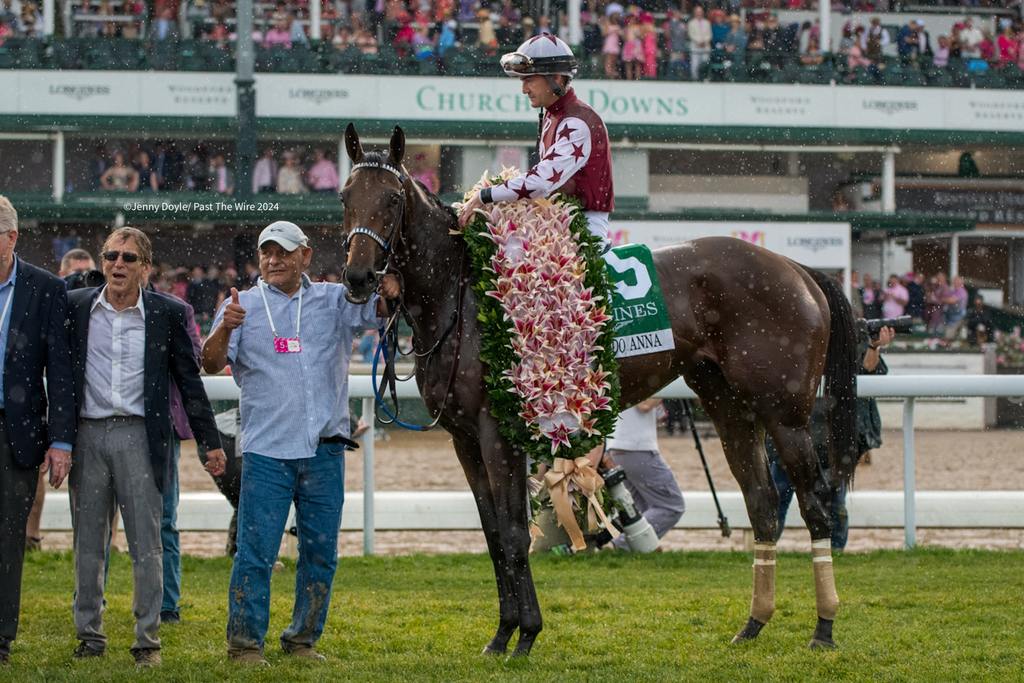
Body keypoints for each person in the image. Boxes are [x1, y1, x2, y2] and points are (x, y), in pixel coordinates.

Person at [201, 221, 399, 665]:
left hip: (324, 448)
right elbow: (211, 364)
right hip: (267, 452)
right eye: (266, 252)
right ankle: (245, 645)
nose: (274, 260)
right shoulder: (241, 305)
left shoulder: (333, 299)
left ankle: (302, 639)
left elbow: (384, 309)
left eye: (284, 252)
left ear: (305, 256)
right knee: (256, 552)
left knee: (321, 553)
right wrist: (225, 329)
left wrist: (390, 282)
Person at [67, 227, 226, 667]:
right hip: (87, 435)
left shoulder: (169, 312)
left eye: (128, 258)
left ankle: (147, 641)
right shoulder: (76, 307)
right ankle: (89, 637)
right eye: (111, 255)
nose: (118, 264)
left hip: (142, 436)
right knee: (87, 544)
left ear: (146, 268)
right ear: (102, 262)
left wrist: (209, 443)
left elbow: (190, 383)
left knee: (147, 544)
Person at [0, 196, 77, 667]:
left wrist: (62, 440)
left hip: (17, 432)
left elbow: (62, 370)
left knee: (8, 537)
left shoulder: (45, 289)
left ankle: (1, 638)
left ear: (11, 238)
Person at [457, 34, 614, 250]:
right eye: (523, 81)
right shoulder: (552, 116)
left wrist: (486, 195)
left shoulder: (579, 122)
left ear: (557, 78)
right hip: (557, 220)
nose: (524, 89)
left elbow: (540, 183)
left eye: (529, 80)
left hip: (586, 230)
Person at [767, 325, 894, 551]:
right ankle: (769, 547)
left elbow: (869, 372)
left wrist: (874, 346)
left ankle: (829, 552)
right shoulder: (797, 338)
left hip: (820, 439)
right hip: (800, 436)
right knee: (783, 499)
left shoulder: (842, 340)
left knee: (829, 503)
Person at [23, 249, 98, 554]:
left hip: (93, 402)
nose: (80, 280)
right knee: (35, 468)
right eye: (73, 274)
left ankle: (110, 540)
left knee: (105, 478)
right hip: (48, 396)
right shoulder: (50, 298)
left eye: (87, 273)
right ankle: (31, 535)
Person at [603, 400, 685, 551]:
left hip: (619, 447)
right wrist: (665, 388)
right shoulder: (646, 379)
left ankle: (639, 549)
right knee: (672, 506)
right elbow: (645, 405)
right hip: (637, 447)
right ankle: (622, 545)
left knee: (638, 508)